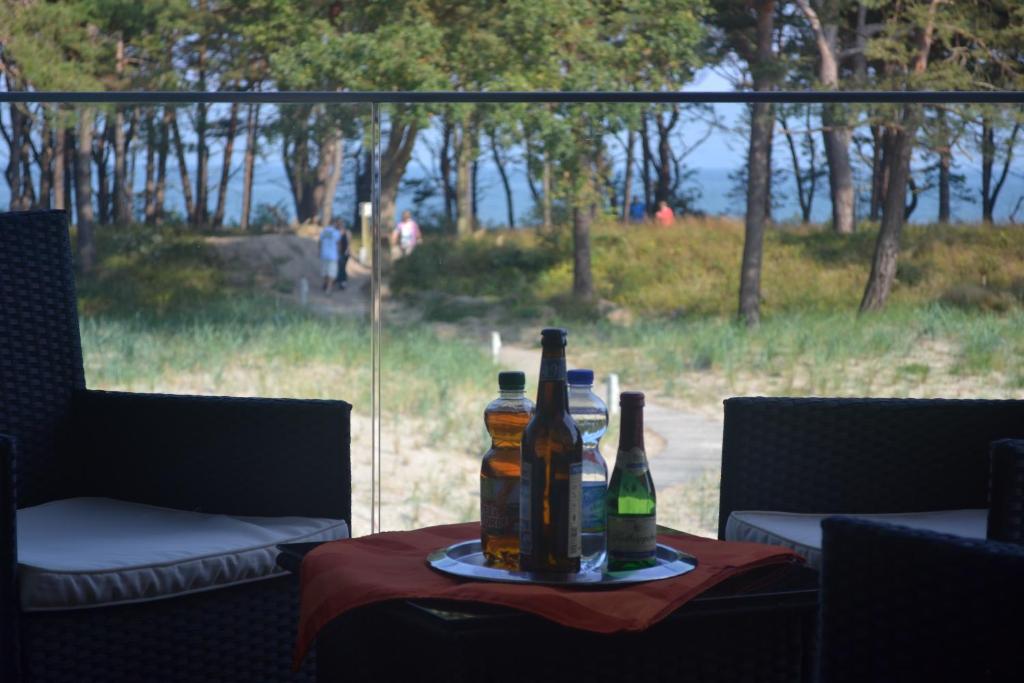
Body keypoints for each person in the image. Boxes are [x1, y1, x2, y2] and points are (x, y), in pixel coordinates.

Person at [318, 220, 341, 294]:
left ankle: (324, 285)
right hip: (333, 255)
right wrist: (339, 253)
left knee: (325, 271)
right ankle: (328, 288)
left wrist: (320, 252)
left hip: (324, 254)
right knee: (331, 273)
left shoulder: (323, 232)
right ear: (334, 224)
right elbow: (338, 244)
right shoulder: (336, 233)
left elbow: (320, 243)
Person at [335, 218, 352, 290]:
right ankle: (340, 280)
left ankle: (343, 282)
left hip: (344, 253)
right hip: (339, 253)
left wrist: (347, 251)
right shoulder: (337, 232)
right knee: (340, 267)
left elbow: (348, 243)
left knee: (342, 267)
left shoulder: (347, 232)